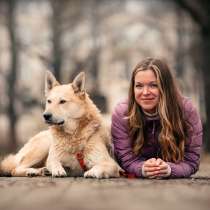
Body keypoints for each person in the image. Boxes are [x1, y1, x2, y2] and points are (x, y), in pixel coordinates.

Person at [111, 57, 203, 178]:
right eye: (139, 86)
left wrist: (170, 170)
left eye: (153, 85)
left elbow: (191, 161)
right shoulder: (123, 113)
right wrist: (143, 168)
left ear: (166, 87)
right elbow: (126, 158)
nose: (145, 92)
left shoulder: (187, 111)